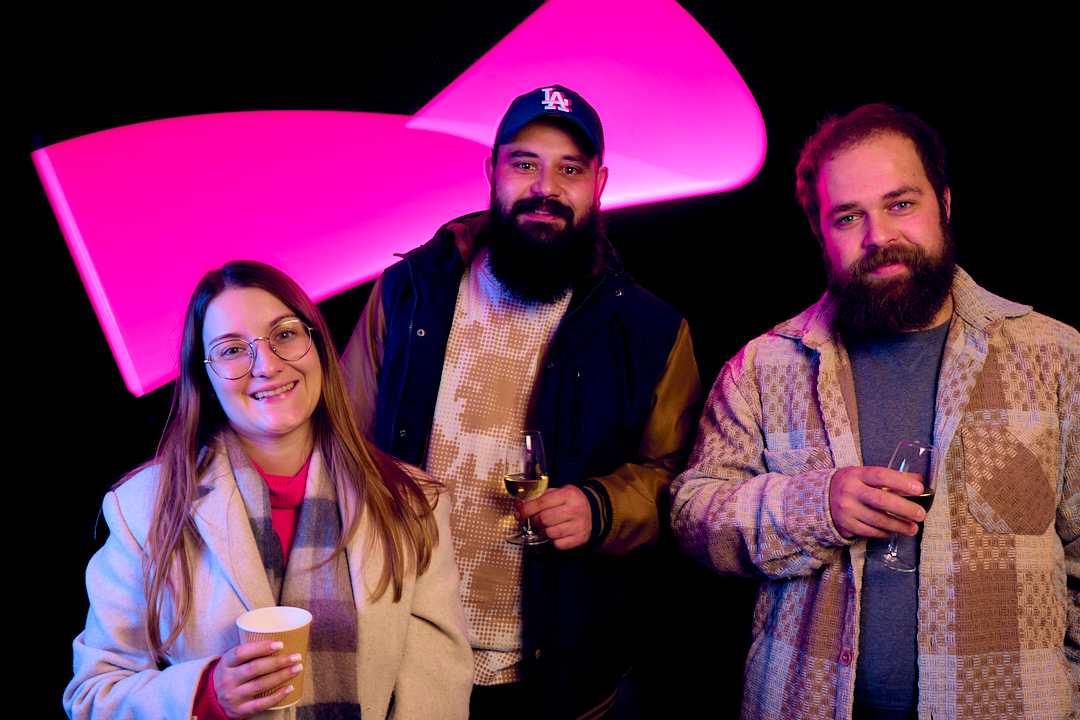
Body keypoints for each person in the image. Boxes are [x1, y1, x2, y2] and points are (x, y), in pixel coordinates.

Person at [671, 103, 1079, 720]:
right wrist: (814, 507)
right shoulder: (762, 366)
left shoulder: (1056, 356)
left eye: (900, 204)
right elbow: (693, 514)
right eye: (848, 217)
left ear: (944, 203)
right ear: (820, 233)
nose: (878, 236)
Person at [342, 85, 702, 718]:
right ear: (492, 171)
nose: (546, 188)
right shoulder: (406, 294)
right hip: (401, 654)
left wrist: (602, 507)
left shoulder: (654, 332)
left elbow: (682, 479)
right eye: (525, 163)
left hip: (554, 676)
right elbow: (338, 443)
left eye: (570, 169)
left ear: (599, 183)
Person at [65, 261, 472, 720]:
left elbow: (437, 690)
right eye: (232, 349)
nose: (268, 365)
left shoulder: (414, 504)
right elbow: (94, 694)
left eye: (284, 334)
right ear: (205, 378)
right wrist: (205, 695)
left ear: (318, 346)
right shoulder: (143, 507)